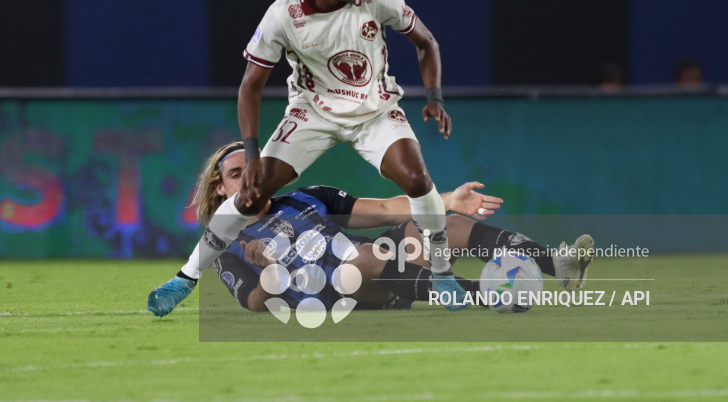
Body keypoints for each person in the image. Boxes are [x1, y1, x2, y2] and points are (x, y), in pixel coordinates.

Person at [149, 0, 470, 315]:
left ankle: (442, 274)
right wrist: (252, 155)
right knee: (252, 194)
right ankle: (185, 278)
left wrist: (434, 96)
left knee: (418, 179)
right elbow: (250, 86)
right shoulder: (284, 14)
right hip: (312, 113)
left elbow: (426, 42)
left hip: (374, 111)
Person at [149, 142, 596, 315]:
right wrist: (271, 273)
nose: (249, 180)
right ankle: (492, 294)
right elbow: (251, 302)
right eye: (235, 174)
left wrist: (445, 200)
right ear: (219, 187)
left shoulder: (310, 196)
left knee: (448, 225)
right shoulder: (226, 244)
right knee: (361, 259)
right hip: (342, 291)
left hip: (381, 266)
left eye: (256, 169)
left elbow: (386, 207)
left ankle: (557, 264)